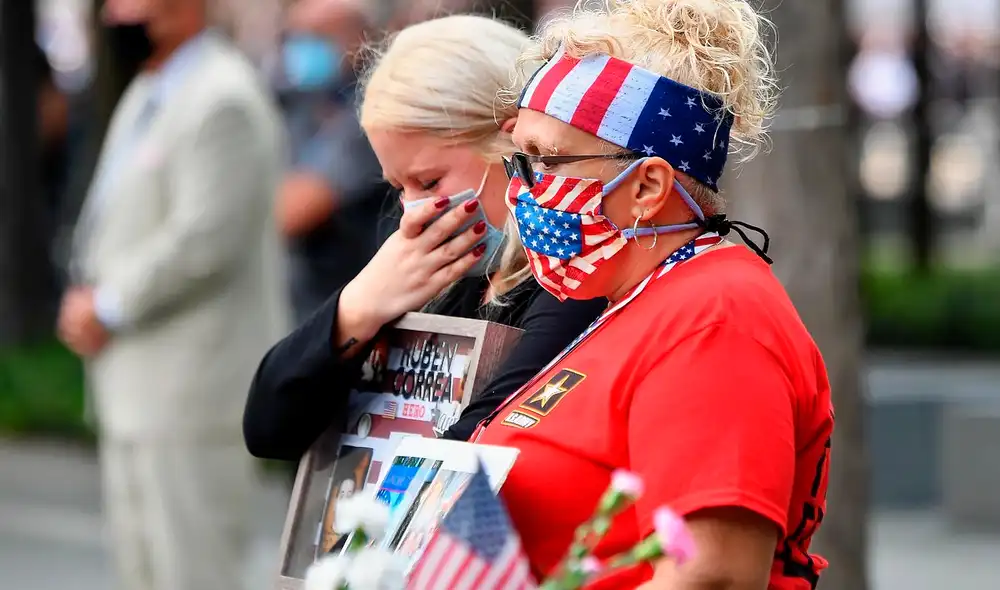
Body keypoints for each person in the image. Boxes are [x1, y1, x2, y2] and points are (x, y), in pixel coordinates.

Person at [471, 1, 835, 589]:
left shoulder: (717, 318)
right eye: (522, 157)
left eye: (549, 160)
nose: (521, 188)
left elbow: (711, 575)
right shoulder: (638, 298)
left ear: (646, 185)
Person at [242, 15, 608, 460]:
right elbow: (269, 429)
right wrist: (356, 308)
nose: (413, 210)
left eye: (430, 182)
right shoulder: (447, 279)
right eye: (399, 189)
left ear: (514, 144)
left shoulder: (577, 273)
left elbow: (479, 443)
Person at [58, 0, 286, 588]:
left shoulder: (223, 98)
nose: (114, 14)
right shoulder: (152, 87)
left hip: (191, 393)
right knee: (144, 573)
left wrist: (106, 305)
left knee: (195, 573)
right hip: (138, 385)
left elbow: (205, 239)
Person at [274, 0, 394, 322]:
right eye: (294, 36)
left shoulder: (372, 110)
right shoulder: (303, 103)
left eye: (317, 35)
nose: (300, 48)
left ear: (358, 37)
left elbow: (295, 210)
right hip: (303, 299)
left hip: (351, 299)